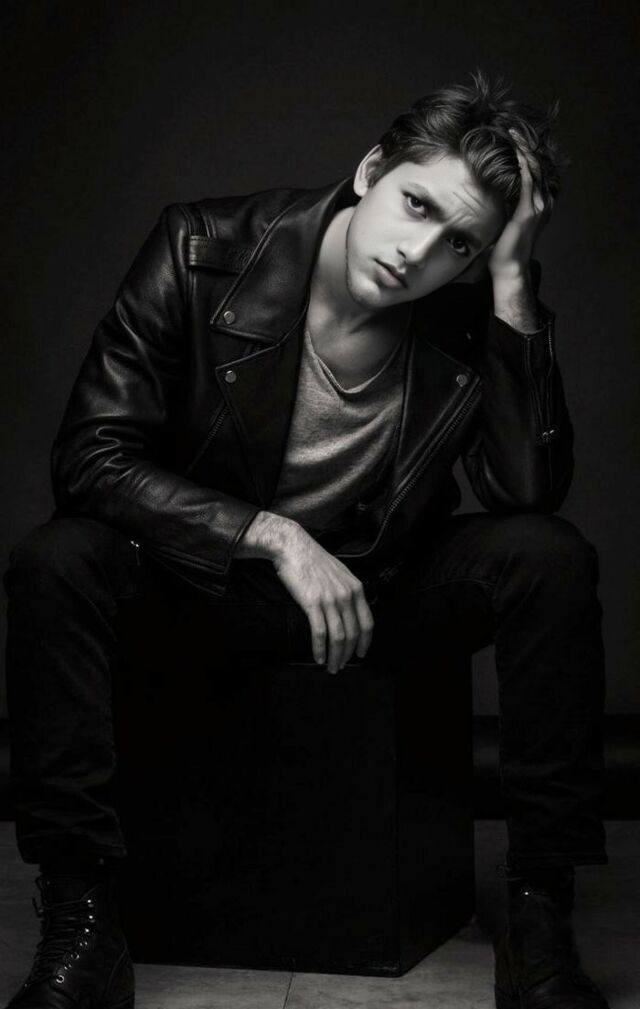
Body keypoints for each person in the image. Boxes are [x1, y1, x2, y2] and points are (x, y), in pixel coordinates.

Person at [4, 72, 609, 1009]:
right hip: (203, 583)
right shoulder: (202, 249)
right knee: (57, 559)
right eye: (416, 205)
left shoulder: (467, 314)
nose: (417, 253)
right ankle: (81, 916)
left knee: (549, 555)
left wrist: (511, 280)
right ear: (371, 169)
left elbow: (527, 490)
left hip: (373, 593)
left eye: (460, 243)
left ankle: (539, 909)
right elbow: (90, 455)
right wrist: (270, 534)